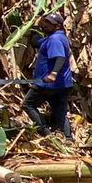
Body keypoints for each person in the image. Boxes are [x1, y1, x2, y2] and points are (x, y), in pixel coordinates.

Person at [23, 12, 74, 141]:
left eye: (49, 23)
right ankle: (68, 139)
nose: (45, 25)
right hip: (63, 84)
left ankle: (46, 133)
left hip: (49, 84)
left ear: (58, 26)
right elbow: (35, 42)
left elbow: (60, 57)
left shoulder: (54, 39)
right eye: (45, 22)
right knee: (60, 112)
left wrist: (53, 74)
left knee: (28, 104)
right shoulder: (56, 37)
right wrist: (34, 26)